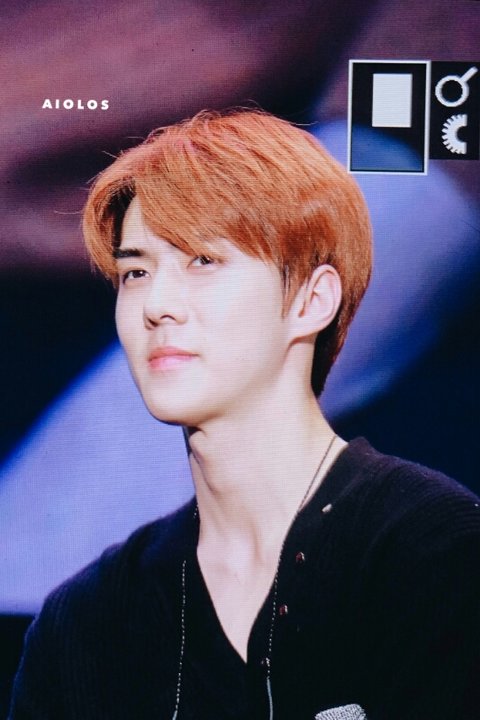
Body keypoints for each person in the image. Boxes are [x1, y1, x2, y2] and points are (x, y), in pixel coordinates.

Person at [9, 109, 480, 720]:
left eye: (204, 261)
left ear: (313, 299)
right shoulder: (85, 617)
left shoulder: (435, 557)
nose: (156, 305)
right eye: (136, 272)